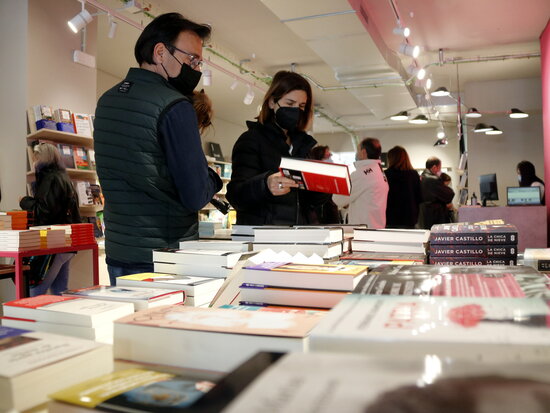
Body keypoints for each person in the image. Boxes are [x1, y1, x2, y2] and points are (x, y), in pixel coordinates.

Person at [93, 13, 222, 286]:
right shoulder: (175, 106)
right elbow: (195, 194)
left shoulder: (107, 101)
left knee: (128, 327)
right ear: (160, 52)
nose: (196, 69)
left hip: (120, 250)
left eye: (199, 62)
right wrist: (212, 178)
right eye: (192, 60)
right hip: (165, 256)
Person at [226, 70, 329, 225]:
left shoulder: (302, 146)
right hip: (265, 239)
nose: (296, 111)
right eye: (289, 103)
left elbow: (307, 201)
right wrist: (265, 185)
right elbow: (236, 196)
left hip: (299, 238)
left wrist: (323, 188)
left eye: (301, 106)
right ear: (272, 102)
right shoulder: (251, 140)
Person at [20, 143, 81, 295]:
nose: (34, 161)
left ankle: (33, 319)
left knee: (36, 291)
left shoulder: (51, 179)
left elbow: (44, 211)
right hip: (66, 241)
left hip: (55, 242)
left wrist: (25, 201)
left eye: (36, 157)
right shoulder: (62, 177)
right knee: (60, 291)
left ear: (42, 158)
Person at [333, 138, 389, 228]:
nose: (356, 153)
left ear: (363, 152)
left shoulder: (361, 174)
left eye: (357, 150)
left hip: (363, 231)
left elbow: (338, 199)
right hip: (376, 227)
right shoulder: (378, 171)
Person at [384, 145, 421, 229]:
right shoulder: (413, 174)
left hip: (390, 217)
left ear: (390, 159)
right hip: (409, 218)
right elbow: (419, 197)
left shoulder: (386, 175)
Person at [417, 156, 455, 229]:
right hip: (434, 216)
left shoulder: (421, 177)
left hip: (424, 215)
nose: (440, 171)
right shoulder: (434, 179)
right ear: (434, 167)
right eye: (439, 168)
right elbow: (449, 195)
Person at [308, 145, 341, 224]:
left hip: (331, 214)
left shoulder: (333, 178)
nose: (331, 159)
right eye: (328, 155)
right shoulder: (312, 179)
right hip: (320, 217)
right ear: (319, 159)